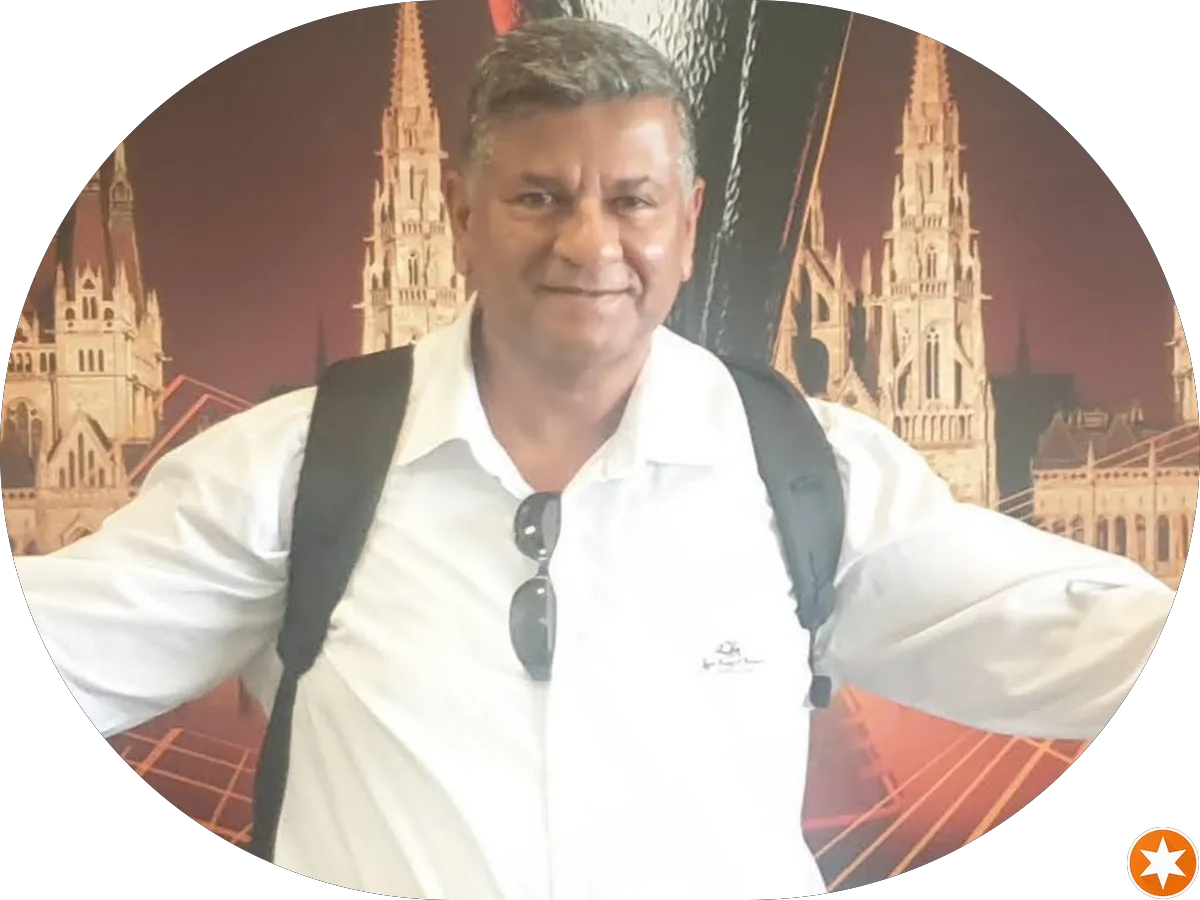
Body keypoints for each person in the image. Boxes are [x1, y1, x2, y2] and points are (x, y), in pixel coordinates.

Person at [15, 17, 1177, 900]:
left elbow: (1084, 636)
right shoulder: (290, 473)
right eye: (539, 196)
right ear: (460, 214)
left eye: (632, 200)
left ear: (689, 222)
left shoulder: (811, 475)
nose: (591, 243)